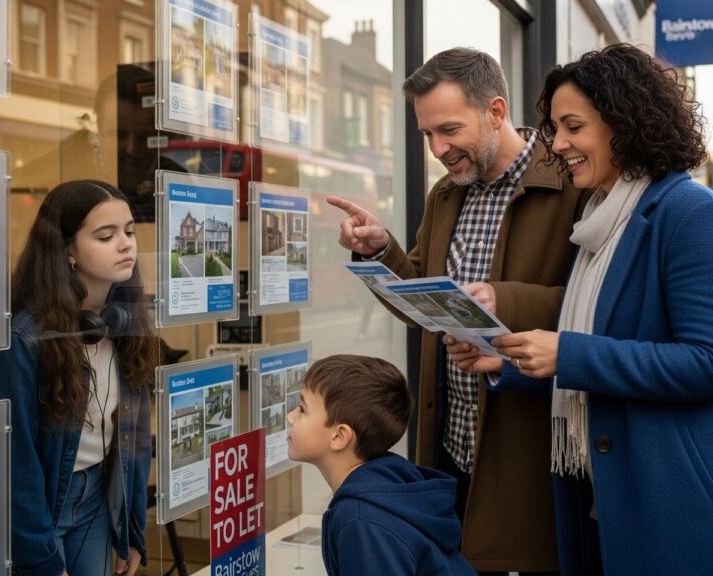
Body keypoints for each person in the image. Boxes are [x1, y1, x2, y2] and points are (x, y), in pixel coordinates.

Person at [328, 47, 590, 574]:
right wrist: (381, 251)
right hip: (451, 444)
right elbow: (426, 301)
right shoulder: (447, 193)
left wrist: (506, 299)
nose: (438, 148)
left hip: (524, 454)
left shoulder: (573, 184)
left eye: (448, 129)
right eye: (427, 135)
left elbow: (604, 303)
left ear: (495, 111)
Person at [455, 43, 713, 575]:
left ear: (625, 123)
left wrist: (568, 354)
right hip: (593, 492)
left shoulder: (688, 212)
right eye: (554, 128)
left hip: (662, 496)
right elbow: (590, 353)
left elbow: (703, 362)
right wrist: (509, 364)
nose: (559, 143)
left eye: (573, 126)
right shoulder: (597, 218)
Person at [0, 180, 157, 576]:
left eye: (130, 231)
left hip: (100, 500)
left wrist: (132, 530)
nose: (126, 245)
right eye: (106, 236)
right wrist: (42, 559)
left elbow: (134, 439)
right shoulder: (25, 339)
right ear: (68, 252)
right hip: (45, 507)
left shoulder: (123, 325)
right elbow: (15, 462)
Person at [286, 354, 477, 576]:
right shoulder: (388, 483)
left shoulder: (360, 519)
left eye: (302, 409)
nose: (291, 417)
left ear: (339, 436)